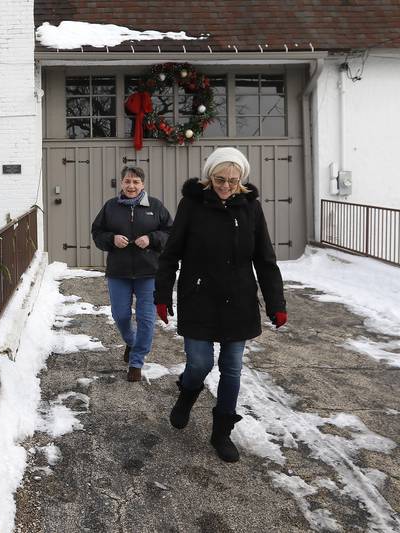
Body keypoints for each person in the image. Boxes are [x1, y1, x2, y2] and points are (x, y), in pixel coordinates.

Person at [154, 147, 287, 463]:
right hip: (198, 297)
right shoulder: (192, 205)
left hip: (238, 301)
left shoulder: (251, 209)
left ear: (241, 180)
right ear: (208, 176)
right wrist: (161, 295)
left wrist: (276, 302)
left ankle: (222, 432)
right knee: (200, 363)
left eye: (232, 180)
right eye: (219, 179)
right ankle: (187, 395)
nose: (225, 185)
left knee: (231, 368)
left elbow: (265, 260)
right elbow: (171, 253)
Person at [91, 166, 172, 382]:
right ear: (121, 183)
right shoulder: (111, 207)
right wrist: (112, 240)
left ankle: (136, 362)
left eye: (136, 182)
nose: (131, 186)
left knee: (146, 319)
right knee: (121, 316)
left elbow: (170, 232)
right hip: (119, 272)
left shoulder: (155, 206)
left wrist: (152, 239)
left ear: (143, 184)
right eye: (127, 181)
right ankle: (132, 341)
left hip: (149, 273)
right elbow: (97, 232)